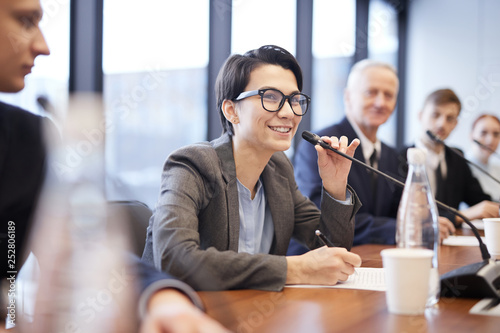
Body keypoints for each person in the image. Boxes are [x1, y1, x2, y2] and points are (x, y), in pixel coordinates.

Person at [0, 0, 228, 332]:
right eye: (24, 21)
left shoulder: (25, 139)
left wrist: (162, 298)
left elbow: (83, 251)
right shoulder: (195, 164)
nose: (43, 46)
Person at [142, 45, 363, 291]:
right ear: (231, 110)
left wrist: (335, 186)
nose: (289, 112)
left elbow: (331, 250)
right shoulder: (192, 165)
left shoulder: (279, 170)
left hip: (256, 311)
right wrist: (294, 268)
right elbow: (174, 259)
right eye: (270, 97)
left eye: (294, 100)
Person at [293, 60, 455, 248]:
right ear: (348, 97)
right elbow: (320, 214)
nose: (380, 103)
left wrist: (427, 221)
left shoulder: (391, 155)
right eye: (371, 92)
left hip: (372, 258)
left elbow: (399, 208)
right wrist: (399, 228)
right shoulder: (323, 145)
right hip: (316, 261)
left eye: (389, 95)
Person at [402, 88, 499, 226]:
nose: (442, 124)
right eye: (435, 115)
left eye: (450, 118)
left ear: (455, 124)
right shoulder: (399, 158)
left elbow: (480, 201)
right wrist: (460, 216)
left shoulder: (457, 159)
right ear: (420, 116)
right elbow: (404, 214)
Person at [467, 113, 500, 200]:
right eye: (483, 133)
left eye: (496, 134)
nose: (490, 140)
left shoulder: (498, 169)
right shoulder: (461, 168)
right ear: (471, 136)